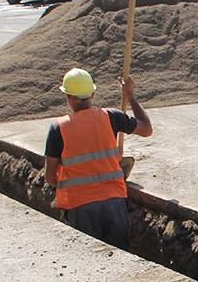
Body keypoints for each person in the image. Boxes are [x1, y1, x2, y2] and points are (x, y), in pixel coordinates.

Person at [44, 67, 152, 250]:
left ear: (68, 98)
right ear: (92, 95)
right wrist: (130, 95)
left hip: (80, 208)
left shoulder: (58, 128)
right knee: (119, 257)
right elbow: (147, 129)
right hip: (115, 203)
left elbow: (50, 177)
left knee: (89, 262)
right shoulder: (111, 117)